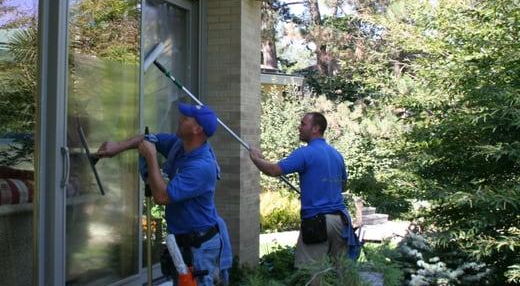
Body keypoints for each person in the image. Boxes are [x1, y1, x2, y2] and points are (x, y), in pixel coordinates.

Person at [98, 102, 232, 285]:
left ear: (197, 129)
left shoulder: (202, 167)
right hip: (182, 241)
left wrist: (151, 157)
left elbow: (162, 197)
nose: (180, 119)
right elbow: (147, 139)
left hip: (199, 248)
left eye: (185, 119)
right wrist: (117, 147)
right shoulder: (179, 146)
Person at [249, 112, 361, 267]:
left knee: (311, 274)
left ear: (315, 128)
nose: (299, 127)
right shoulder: (337, 155)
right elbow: (342, 186)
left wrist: (255, 158)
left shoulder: (305, 153)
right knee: (342, 275)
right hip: (341, 222)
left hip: (317, 223)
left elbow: (273, 170)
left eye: (303, 124)